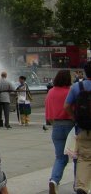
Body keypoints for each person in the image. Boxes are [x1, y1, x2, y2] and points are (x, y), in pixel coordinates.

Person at [64, 61, 91, 194]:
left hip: (83, 129)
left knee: (84, 159)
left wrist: (75, 118)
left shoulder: (77, 86)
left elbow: (66, 106)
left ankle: (81, 187)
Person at [45, 69, 73, 194]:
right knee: (77, 156)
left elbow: (48, 114)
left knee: (60, 158)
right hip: (71, 125)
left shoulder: (51, 92)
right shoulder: (70, 91)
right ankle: (79, 184)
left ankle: (54, 181)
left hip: (56, 126)